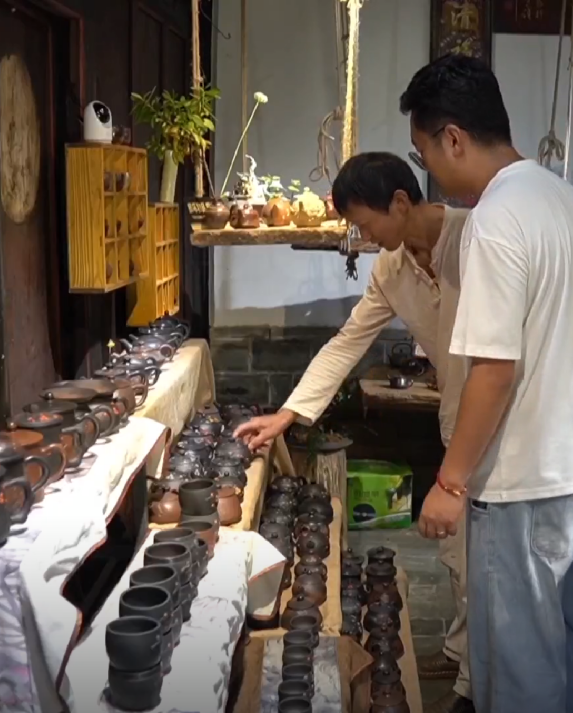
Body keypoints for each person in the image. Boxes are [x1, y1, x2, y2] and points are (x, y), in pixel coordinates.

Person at [399, 54, 573, 713]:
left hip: (527, 485)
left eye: (423, 153)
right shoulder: (568, 201)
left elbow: (494, 370)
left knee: (520, 667)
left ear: (452, 138)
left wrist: (450, 483)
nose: (429, 169)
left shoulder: (495, 219)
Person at [234, 151, 476, 713]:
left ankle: (487, 682)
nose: (362, 237)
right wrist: (289, 415)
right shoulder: (391, 269)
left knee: (495, 561)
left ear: (400, 201)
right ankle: (467, 661)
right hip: (458, 414)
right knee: (463, 551)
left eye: (365, 223)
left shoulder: (477, 238)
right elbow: (347, 342)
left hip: (506, 418)